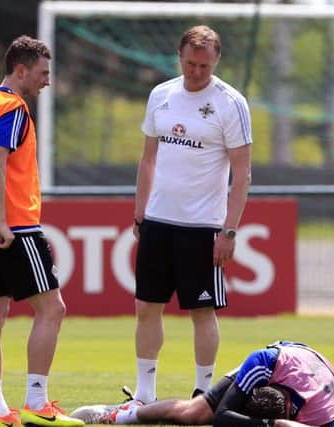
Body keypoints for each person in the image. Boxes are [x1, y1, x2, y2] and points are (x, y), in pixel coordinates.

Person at [0, 35, 84, 427]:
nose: (47, 80)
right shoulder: (13, 109)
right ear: (21, 70)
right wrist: (3, 222)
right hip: (11, 226)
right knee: (53, 308)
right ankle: (37, 402)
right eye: (43, 73)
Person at [130, 24, 253, 403]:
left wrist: (229, 231)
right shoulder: (161, 95)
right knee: (147, 307)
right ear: (179, 58)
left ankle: (204, 392)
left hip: (202, 227)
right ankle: (144, 392)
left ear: (216, 60)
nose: (195, 71)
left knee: (202, 310)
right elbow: (149, 157)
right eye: (189, 63)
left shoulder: (231, 103)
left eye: (203, 65)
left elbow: (242, 172)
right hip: (158, 221)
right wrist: (140, 214)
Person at [70, 341, 334, 427]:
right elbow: (221, 418)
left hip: (305, 368)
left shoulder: (320, 417)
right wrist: (272, 426)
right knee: (195, 413)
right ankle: (120, 414)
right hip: (280, 360)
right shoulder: (261, 363)